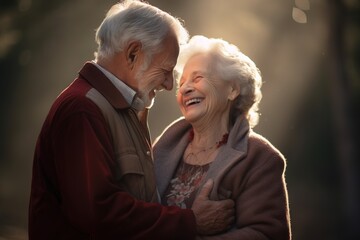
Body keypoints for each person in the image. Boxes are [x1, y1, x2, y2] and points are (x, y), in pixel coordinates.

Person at [28, 2, 235, 239]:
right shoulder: (83, 109)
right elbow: (99, 214)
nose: (169, 85)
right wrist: (190, 221)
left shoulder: (119, 109)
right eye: (166, 70)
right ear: (133, 53)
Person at [154, 35, 292, 239]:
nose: (184, 88)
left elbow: (267, 234)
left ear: (232, 90)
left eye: (197, 78)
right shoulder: (160, 147)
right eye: (181, 83)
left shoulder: (261, 158)